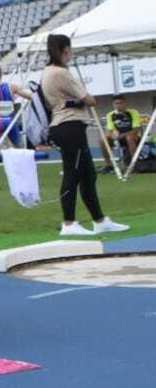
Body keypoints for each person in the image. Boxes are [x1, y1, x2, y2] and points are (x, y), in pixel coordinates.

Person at [42, 34, 127, 236]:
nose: (71, 53)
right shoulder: (60, 73)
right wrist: (85, 98)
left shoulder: (49, 72)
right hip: (69, 125)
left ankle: (99, 220)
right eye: (69, 49)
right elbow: (89, 99)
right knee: (73, 173)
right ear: (65, 50)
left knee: (88, 174)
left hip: (68, 126)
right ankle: (69, 223)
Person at [105, 95, 144, 171]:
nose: (118, 105)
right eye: (116, 103)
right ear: (113, 104)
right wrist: (112, 134)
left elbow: (137, 129)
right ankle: (108, 165)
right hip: (119, 138)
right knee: (103, 139)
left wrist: (124, 134)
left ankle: (134, 164)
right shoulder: (110, 115)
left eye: (120, 103)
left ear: (124, 103)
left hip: (134, 138)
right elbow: (111, 129)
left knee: (129, 137)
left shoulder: (133, 112)